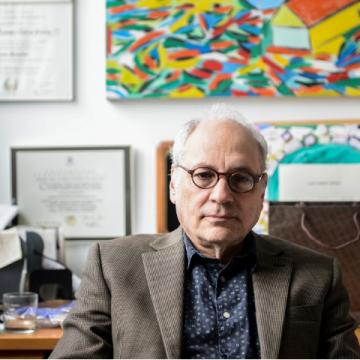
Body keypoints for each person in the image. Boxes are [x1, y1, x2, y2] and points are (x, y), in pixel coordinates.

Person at [51, 104, 360, 359]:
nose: (221, 195)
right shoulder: (114, 266)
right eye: (203, 175)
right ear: (174, 184)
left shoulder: (318, 275)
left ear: (261, 191)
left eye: (240, 179)